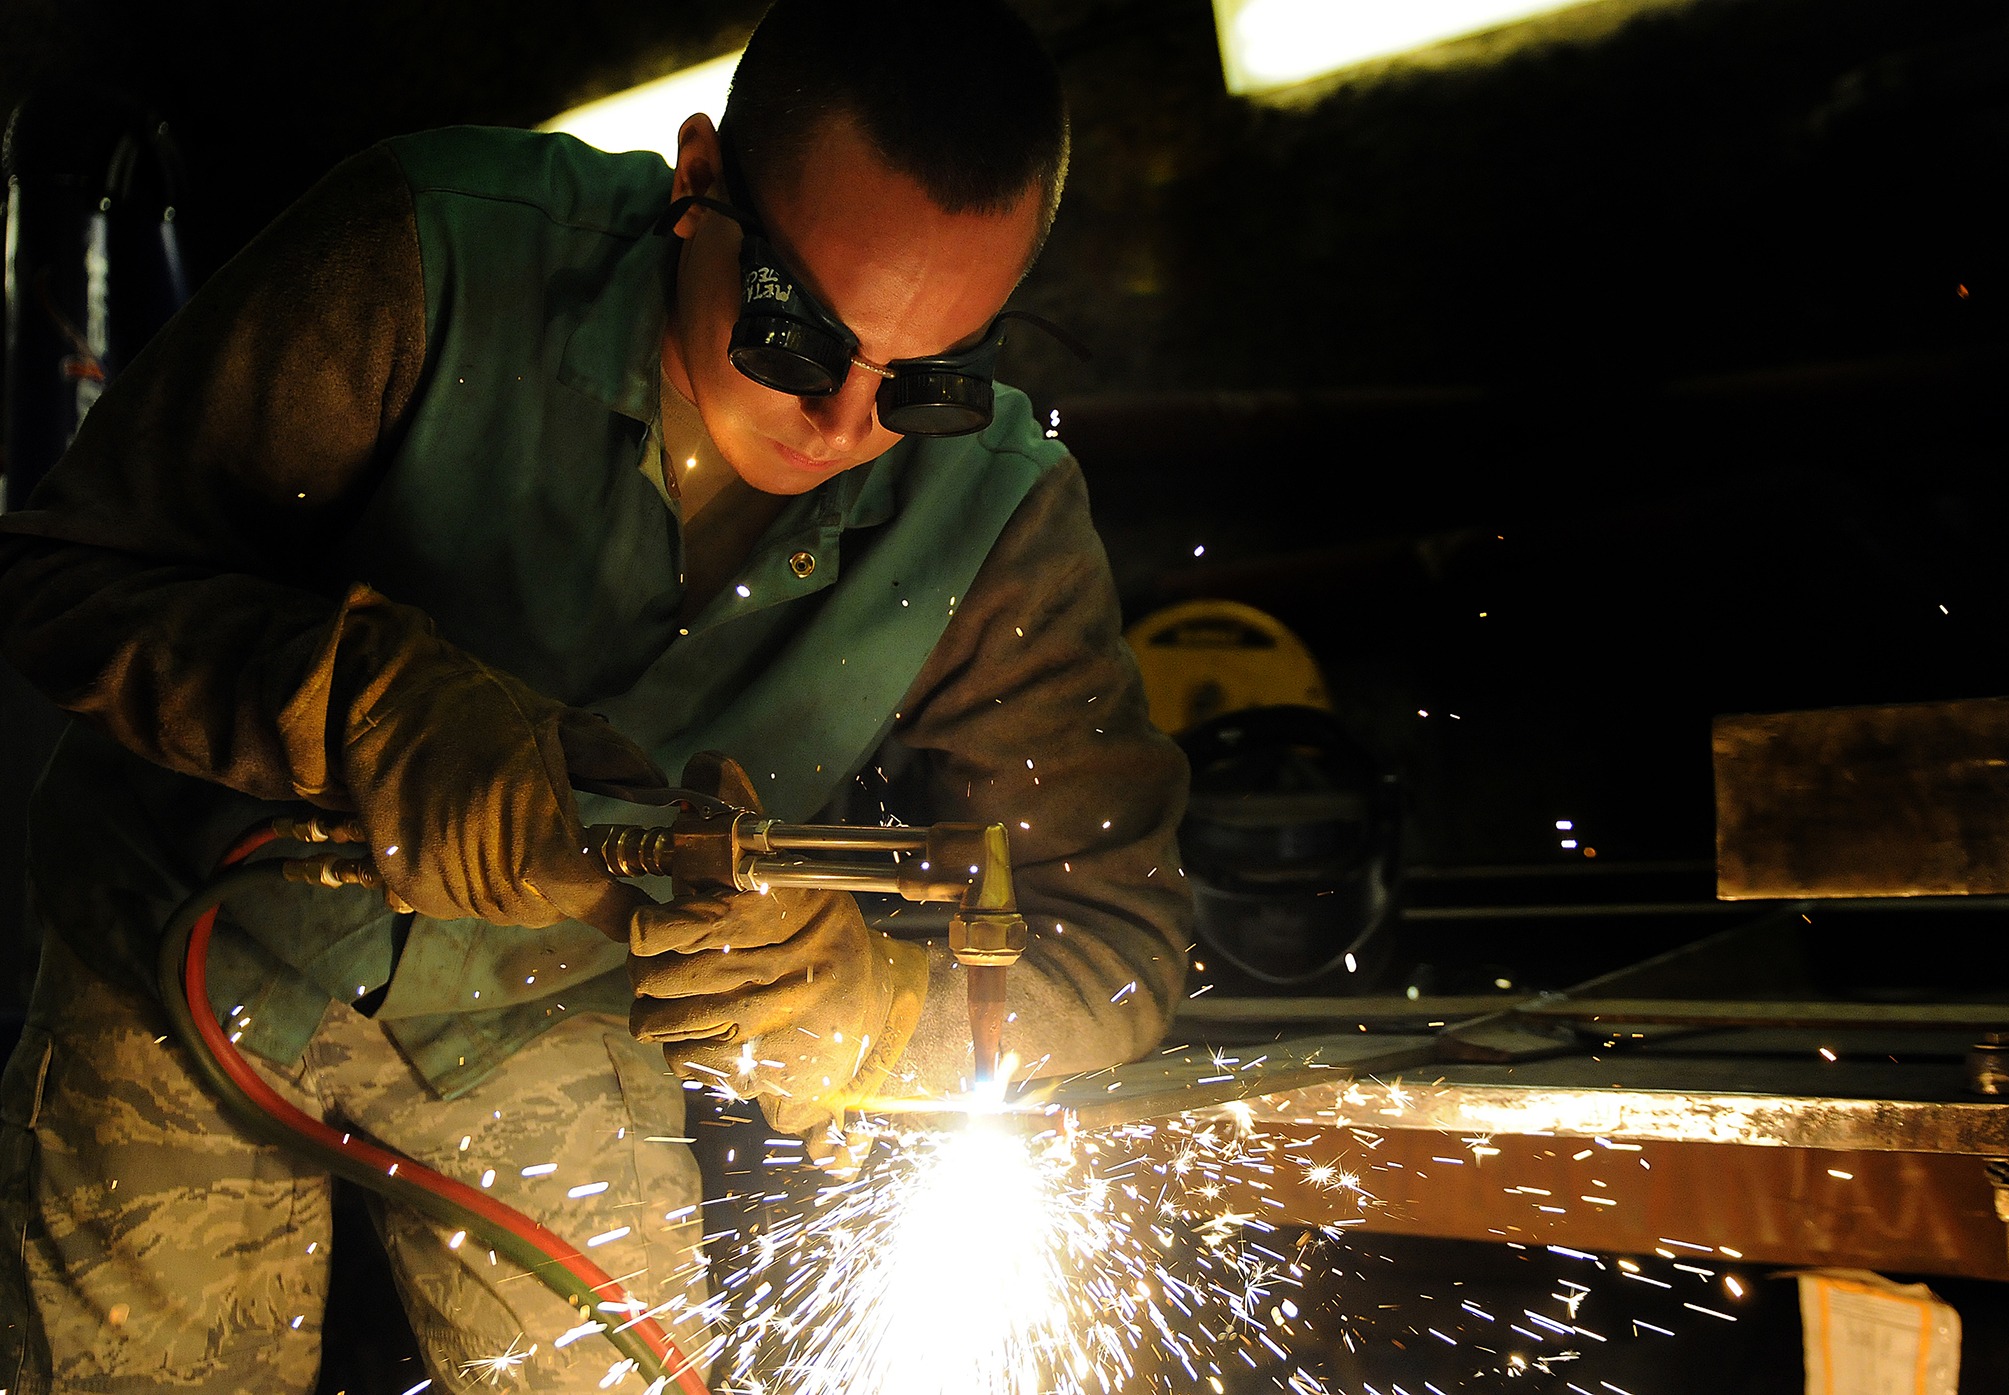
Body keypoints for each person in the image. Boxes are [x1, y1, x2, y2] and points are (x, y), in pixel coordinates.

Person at [0, 0, 1193, 1388]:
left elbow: (1115, 942)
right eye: (796, 338)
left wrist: (875, 1013)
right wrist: (366, 711)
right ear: (698, 185)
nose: (842, 424)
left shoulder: (1000, 525)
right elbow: (70, 575)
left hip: (549, 1009)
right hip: (182, 942)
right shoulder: (431, 253)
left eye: (929, 381)